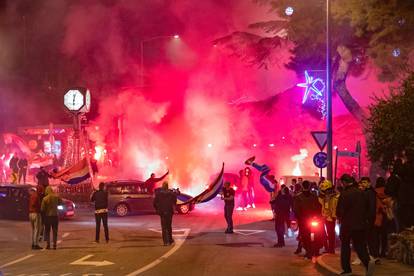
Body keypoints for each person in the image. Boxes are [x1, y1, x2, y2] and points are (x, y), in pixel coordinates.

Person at [337, 174, 375, 276]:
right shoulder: (362, 193)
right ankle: (367, 262)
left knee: (345, 246)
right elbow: (369, 209)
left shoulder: (344, 194)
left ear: (344, 182)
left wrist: (340, 217)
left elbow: (339, 211)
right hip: (360, 225)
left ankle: (347, 270)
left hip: (347, 225)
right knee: (360, 246)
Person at [293, 180, 321, 259]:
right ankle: (312, 251)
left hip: (304, 220)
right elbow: (318, 207)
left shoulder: (298, 196)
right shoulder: (314, 196)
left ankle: (309, 251)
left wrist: (299, 218)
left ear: (302, 186)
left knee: (304, 235)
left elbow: (296, 209)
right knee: (314, 234)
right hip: (312, 219)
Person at [318, 180, 339, 254]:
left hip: (330, 218)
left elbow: (335, 207)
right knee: (323, 233)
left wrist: (333, 216)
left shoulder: (336, 197)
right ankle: (327, 248)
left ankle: (331, 249)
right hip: (323, 217)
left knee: (331, 234)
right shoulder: (323, 197)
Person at [373, 177, 392, 258]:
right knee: (384, 235)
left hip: (377, 216)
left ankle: (376, 252)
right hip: (386, 215)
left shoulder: (374, 192)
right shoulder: (387, 192)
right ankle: (383, 252)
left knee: (376, 235)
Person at [359, 177, 377, 260]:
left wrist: (368, 218)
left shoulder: (370, 193)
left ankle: (371, 255)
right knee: (369, 237)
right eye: (362, 182)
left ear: (369, 183)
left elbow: (371, 207)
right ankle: (371, 255)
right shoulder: (367, 192)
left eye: (365, 182)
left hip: (368, 219)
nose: (363, 184)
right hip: (367, 218)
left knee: (369, 237)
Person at [153, 181, 177, 245]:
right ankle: (170, 240)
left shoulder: (158, 194)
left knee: (163, 227)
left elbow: (154, 203)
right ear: (167, 186)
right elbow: (175, 202)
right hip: (169, 211)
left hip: (162, 212)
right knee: (169, 226)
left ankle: (165, 242)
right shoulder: (171, 193)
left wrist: (157, 209)